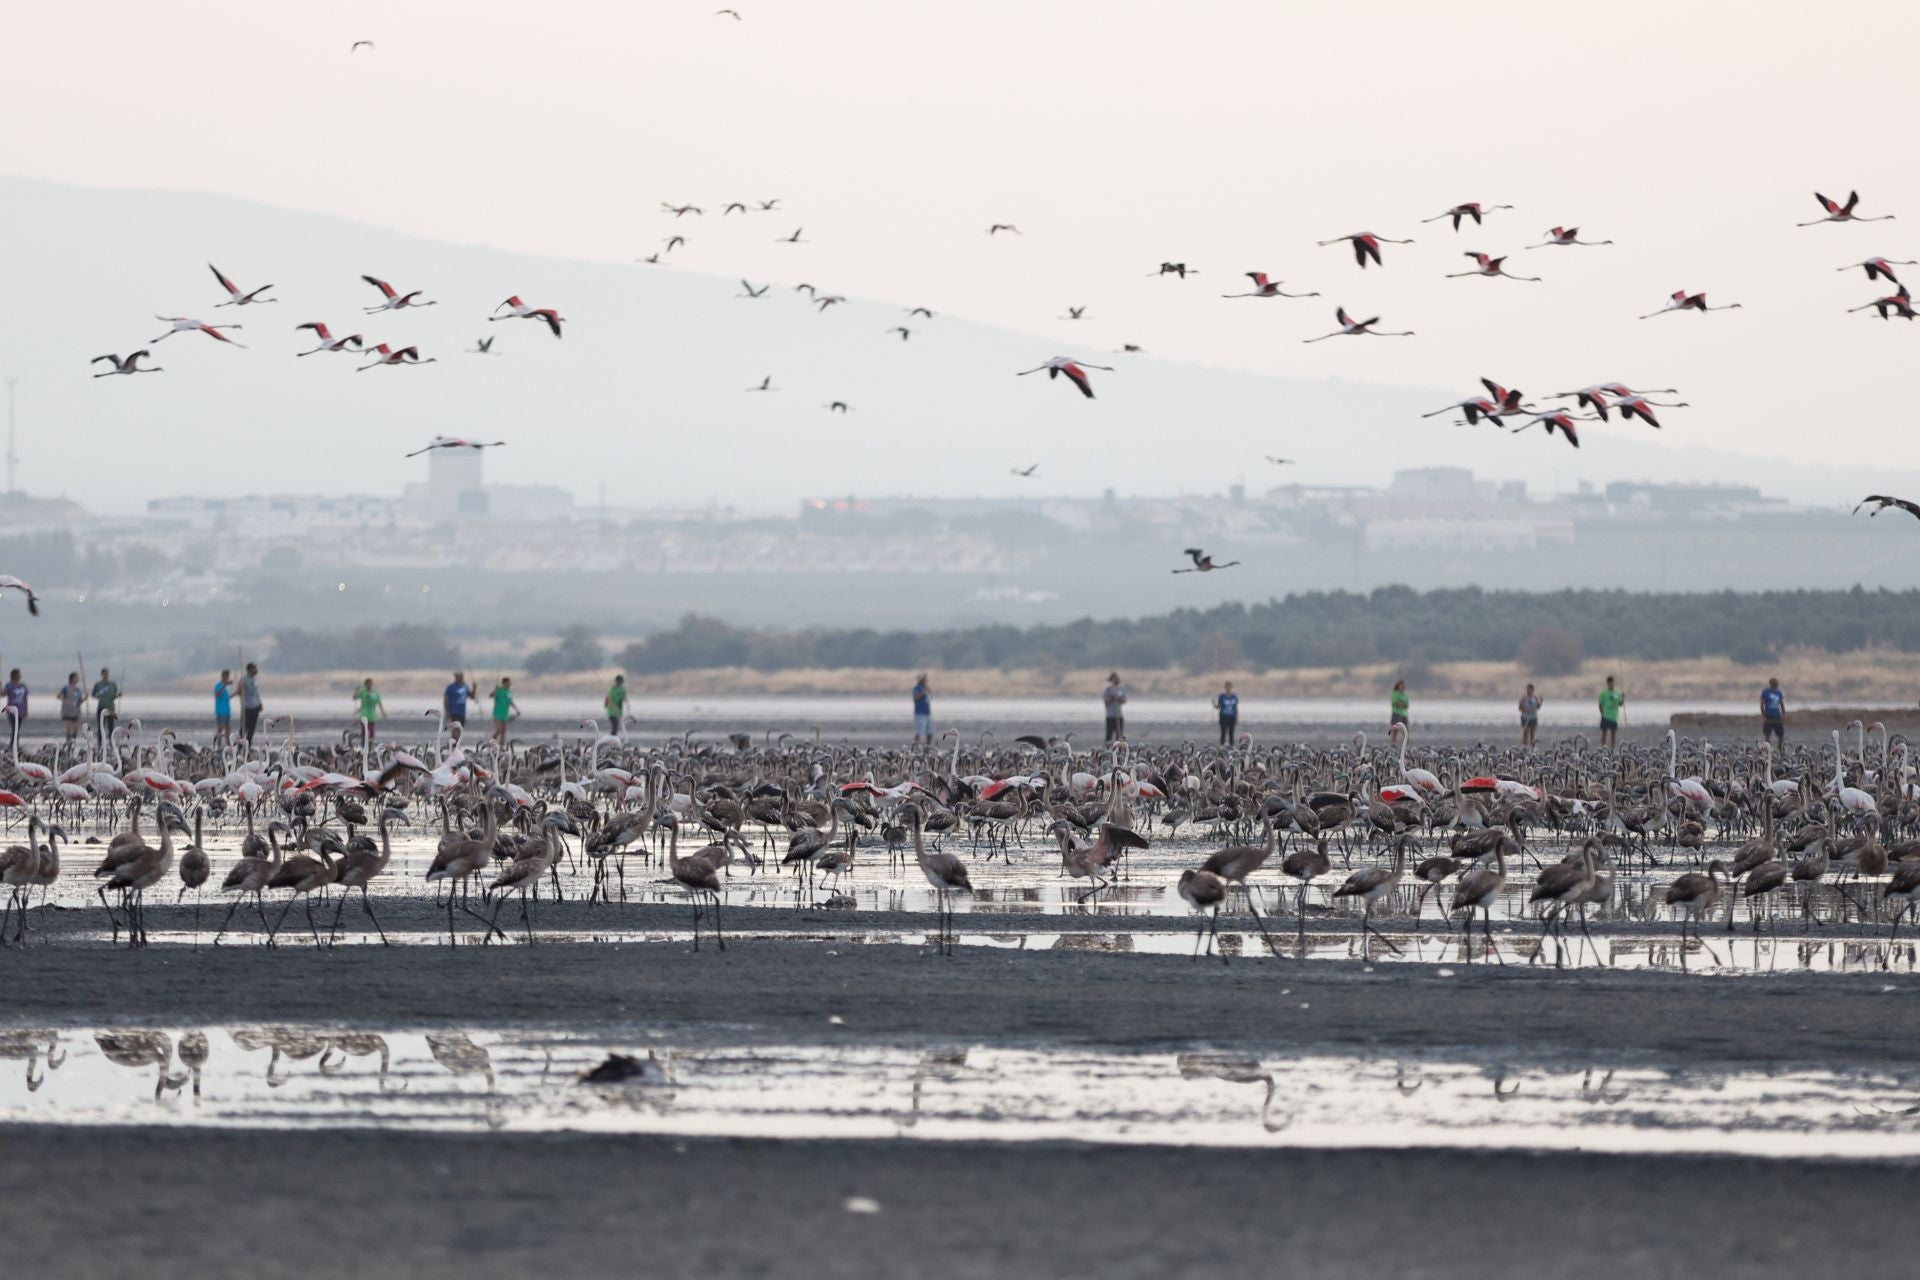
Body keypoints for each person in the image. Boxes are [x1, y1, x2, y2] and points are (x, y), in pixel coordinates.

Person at [92, 667, 120, 752]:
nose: (106, 675)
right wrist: (98, 695)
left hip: (110, 708)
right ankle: (99, 744)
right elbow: (93, 694)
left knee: (111, 728)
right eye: (104, 674)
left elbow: (114, 695)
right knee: (101, 727)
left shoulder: (113, 684)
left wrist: (118, 695)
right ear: (102, 675)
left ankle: (111, 744)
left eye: (107, 674)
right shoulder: (98, 684)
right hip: (101, 708)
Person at [353, 677, 385, 748]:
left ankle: (370, 747)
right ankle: (363, 747)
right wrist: (356, 691)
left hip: (372, 716)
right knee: (364, 733)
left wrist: (383, 713)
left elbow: (379, 704)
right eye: (367, 684)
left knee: (372, 735)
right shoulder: (362, 692)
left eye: (370, 684)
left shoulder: (375, 693)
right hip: (364, 715)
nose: (369, 686)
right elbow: (355, 697)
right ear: (365, 685)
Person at [1598, 675, 1626, 750]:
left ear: (1613, 683)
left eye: (1612, 683)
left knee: (1613, 734)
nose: (1611, 684)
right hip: (1606, 716)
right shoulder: (1603, 693)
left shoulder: (1618, 692)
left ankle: (1612, 749)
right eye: (1609, 683)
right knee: (1604, 733)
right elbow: (1600, 704)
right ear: (1607, 683)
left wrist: (1623, 698)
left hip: (1614, 716)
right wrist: (1602, 714)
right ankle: (1603, 748)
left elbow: (1620, 704)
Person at [444, 671, 474, 740]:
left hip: (462, 712)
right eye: (457, 677)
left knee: (460, 730)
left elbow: (472, 697)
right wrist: (447, 711)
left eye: (460, 677)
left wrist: (474, 688)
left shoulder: (465, 687)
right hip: (453, 712)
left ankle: (455, 744)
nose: (459, 678)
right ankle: (454, 745)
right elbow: (446, 700)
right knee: (455, 729)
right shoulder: (450, 687)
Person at [239, 662, 263, 747]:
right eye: (254, 668)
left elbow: (257, 693)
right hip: (247, 707)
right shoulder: (243, 680)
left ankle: (249, 746)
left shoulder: (255, 680)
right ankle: (240, 746)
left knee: (252, 729)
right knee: (244, 728)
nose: (256, 670)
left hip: (255, 706)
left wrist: (260, 703)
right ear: (249, 670)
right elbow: (240, 692)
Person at [2, 669, 25, 754]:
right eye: (19, 674)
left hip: (21, 711)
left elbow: (25, 698)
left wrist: (26, 710)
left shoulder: (23, 686)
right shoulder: (9, 685)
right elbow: (2, 695)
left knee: (17, 729)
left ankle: (14, 745)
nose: (20, 676)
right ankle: (13, 745)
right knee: (15, 729)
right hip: (12, 711)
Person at [490, 676, 518, 744]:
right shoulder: (499, 690)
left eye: (510, 683)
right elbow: (491, 696)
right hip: (497, 713)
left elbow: (510, 702)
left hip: (505, 714)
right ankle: (491, 742)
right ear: (504, 683)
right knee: (499, 730)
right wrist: (494, 691)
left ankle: (501, 745)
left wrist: (516, 709)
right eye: (508, 683)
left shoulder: (509, 692)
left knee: (504, 731)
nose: (509, 685)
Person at [58, 672, 84, 745]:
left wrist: (85, 698)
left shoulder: (78, 690)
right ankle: (68, 743)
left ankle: (73, 743)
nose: (78, 678)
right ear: (72, 678)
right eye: (76, 677)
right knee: (68, 728)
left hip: (76, 711)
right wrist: (64, 699)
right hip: (67, 711)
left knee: (75, 729)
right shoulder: (66, 688)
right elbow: (59, 695)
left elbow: (79, 701)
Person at [1761, 677, 1786, 746]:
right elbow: (1762, 704)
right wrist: (1763, 716)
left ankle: (1780, 747)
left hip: (1777, 716)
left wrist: (1783, 714)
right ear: (1771, 684)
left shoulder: (1778, 692)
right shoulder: (1765, 692)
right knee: (1767, 734)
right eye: (1774, 683)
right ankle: (1768, 749)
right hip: (1769, 716)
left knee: (1781, 734)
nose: (1776, 684)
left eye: (1776, 683)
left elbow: (1782, 704)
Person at [1103, 672, 1127, 743]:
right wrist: (1111, 698)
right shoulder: (1108, 690)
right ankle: (1108, 748)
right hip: (1110, 716)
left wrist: (1118, 699)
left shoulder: (1121, 689)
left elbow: (1124, 700)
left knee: (1119, 735)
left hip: (1118, 715)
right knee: (1109, 735)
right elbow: (1105, 700)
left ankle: (1118, 750)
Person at [1213, 681, 1239, 746]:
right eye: (1227, 687)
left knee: (1231, 733)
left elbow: (1235, 707)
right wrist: (1214, 704)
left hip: (1232, 717)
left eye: (1229, 687)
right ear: (1225, 688)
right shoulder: (1222, 696)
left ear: (1231, 688)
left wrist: (1237, 717)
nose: (1228, 688)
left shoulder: (1234, 696)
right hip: (1223, 716)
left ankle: (1232, 746)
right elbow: (1218, 707)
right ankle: (1221, 746)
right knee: (1223, 732)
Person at [605, 674, 629, 738]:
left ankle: (613, 739)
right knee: (615, 727)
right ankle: (612, 739)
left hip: (619, 712)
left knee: (617, 727)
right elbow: (610, 701)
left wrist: (628, 706)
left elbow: (625, 698)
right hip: (612, 713)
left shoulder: (623, 690)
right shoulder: (612, 689)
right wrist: (615, 709)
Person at [1518, 683, 1542, 749]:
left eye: (1529, 689)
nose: (1528, 691)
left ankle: (1532, 748)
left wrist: (1540, 702)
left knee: (1532, 734)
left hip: (1533, 718)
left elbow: (1538, 707)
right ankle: (1524, 747)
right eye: (1527, 689)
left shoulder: (1535, 698)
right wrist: (1526, 709)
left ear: (1533, 690)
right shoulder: (1524, 698)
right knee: (1525, 733)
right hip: (1525, 717)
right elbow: (1520, 708)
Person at [213, 669, 233, 745]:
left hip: (227, 710)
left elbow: (228, 697)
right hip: (220, 711)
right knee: (220, 729)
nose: (227, 678)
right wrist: (224, 685)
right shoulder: (218, 685)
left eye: (228, 676)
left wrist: (238, 692)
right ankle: (218, 745)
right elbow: (217, 695)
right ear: (223, 676)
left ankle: (228, 745)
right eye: (226, 676)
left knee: (228, 729)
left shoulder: (228, 687)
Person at [911, 673, 932, 744]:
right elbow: (915, 699)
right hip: (920, 713)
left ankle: (928, 746)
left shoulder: (926, 688)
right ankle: (915, 745)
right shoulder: (917, 688)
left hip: (927, 713)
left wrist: (929, 692)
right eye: (925, 679)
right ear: (922, 680)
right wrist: (923, 692)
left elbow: (929, 698)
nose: (927, 680)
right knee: (920, 731)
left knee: (930, 731)